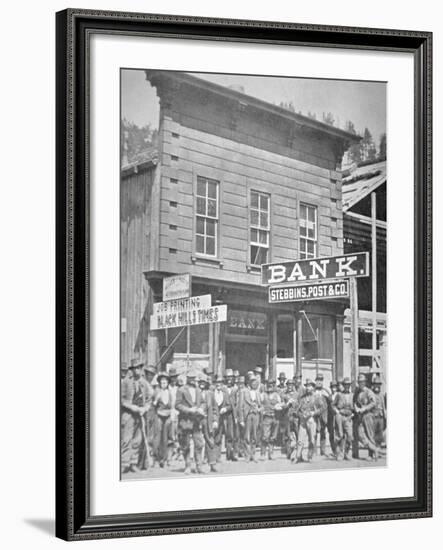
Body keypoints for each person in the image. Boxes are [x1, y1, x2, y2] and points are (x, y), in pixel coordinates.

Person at [121, 358, 153, 474]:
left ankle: (133, 463)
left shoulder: (145, 383)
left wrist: (145, 409)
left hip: (140, 415)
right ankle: (124, 463)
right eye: (135, 368)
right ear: (132, 370)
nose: (137, 370)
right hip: (129, 414)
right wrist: (131, 407)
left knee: (137, 440)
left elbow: (149, 399)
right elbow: (122, 399)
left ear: (141, 368)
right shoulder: (126, 382)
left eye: (139, 368)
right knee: (126, 439)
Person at [175, 370, 206, 474]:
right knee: (186, 444)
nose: (193, 380)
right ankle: (187, 465)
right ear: (187, 378)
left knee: (199, 443)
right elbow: (177, 405)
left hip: (196, 421)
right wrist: (188, 410)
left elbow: (202, 402)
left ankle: (199, 466)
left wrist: (201, 408)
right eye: (191, 378)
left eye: (194, 378)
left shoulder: (198, 390)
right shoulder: (181, 390)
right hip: (185, 420)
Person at [294, 379, 320, 463]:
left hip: (312, 420)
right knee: (300, 440)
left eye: (310, 386)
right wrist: (301, 415)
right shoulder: (302, 398)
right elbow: (297, 410)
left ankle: (310, 457)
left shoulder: (317, 397)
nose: (308, 388)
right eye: (307, 386)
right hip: (303, 421)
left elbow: (322, 408)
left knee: (312, 440)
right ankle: (297, 457)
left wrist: (313, 413)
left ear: (313, 387)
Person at [354, 373, 378, 460]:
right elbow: (356, 402)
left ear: (365, 382)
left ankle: (371, 455)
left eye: (362, 382)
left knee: (370, 435)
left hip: (368, 415)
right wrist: (356, 408)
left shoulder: (369, 392)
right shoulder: (358, 392)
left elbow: (373, 402)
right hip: (360, 416)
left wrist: (365, 408)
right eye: (359, 382)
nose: (361, 383)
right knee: (360, 434)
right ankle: (374, 449)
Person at [198, 374, 219, 472]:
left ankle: (212, 463)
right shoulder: (195, 393)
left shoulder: (210, 393)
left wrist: (215, 420)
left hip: (208, 420)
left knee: (210, 441)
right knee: (198, 442)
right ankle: (199, 464)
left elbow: (215, 408)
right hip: (197, 420)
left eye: (203, 382)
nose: (202, 384)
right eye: (200, 382)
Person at [238, 375, 262, 462]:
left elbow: (261, 405)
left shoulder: (258, 392)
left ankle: (253, 454)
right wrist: (241, 419)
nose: (254, 383)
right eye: (252, 382)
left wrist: (259, 409)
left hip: (256, 415)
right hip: (247, 416)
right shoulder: (243, 391)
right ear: (249, 383)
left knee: (254, 436)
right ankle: (247, 455)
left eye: (255, 382)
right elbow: (240, 406)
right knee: (247, 436)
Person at [152, 372, 174, 468]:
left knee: (166, 438)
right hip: (159, 415)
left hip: (168, 415)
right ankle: (156, 458)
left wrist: (172, 415)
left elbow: (172, 406)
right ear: (159, 383)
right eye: (162, 382)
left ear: (168, 383)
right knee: (158, 437)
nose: (163, 384)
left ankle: (165, 459)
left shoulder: (170, 392)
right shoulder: (157, 392)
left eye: (165, 382)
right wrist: (156, 400)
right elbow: (153, 405)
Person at [213, 375, 236, 461]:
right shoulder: (212, 393)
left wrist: (225, 409)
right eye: (217, 383)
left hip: (224, 417)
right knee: (216, 437)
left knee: (229, 435)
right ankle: (216, 456)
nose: (218, 385)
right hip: (215, 418)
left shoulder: (225, 394)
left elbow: (230, 406)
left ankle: (229, 455)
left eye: (220, 383)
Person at [332, 377, 354, 460]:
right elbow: (333, 405)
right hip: (340, 416)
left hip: (348, 417)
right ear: (343, 385)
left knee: (350, 436)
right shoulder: (339, 395)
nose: (347, 386)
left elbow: (355, 406)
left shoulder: (352, 395)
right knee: (339, 435)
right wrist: (337, 411)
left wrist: (353, 414)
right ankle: (340, 454)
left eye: (348, 385)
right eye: (345, 385)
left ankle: (347, 453)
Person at [261, 379, 282, 460]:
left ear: (274, 386)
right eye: (269, 384)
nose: (270, 386)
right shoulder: (263, 395)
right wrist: (262, 410)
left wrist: (279, 406)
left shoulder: (277, 395)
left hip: (276, 418)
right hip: (266, 417)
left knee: (273, 436)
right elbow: (259, 404)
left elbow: (281, 404)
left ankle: (271, 453)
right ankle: (263, 454)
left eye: (272, 385)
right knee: (265, 436)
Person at [283, 378, 300, 459]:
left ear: (293, 385)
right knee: (287, 434)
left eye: (291, 385)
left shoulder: (297, 394)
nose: (290, 386)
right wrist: (287, 403)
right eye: (288, 385)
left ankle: (298, 452)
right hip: (287, 416)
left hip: (295, 416)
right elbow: (282, 406)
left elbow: (300, 405)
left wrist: (295, 404)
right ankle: (288, 452)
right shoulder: (284, 394)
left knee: (297, 433)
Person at [224, 369, 239, 461]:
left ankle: (235, 453)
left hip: (235, 414)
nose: (229, 379)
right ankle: (228, 453)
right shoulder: (223, 388)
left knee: (236, 435)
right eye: (227, 377)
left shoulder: (236, 389)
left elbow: (238, 403)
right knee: (228, 434)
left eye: (231, 377)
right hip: (225, 414)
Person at [314, 373, 330, 456]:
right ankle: (314, 451)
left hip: (323, 415)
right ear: (315, 381)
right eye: (318, 380)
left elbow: (330, 402)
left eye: (321, 380)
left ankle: (323, 451)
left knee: (323, 432)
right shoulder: (313, 391)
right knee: (314, 432)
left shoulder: (326, 391)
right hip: (315, 414)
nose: (319, 382)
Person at [372, 377, 386, 452]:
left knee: (380, 433)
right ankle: (372, 451)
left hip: (380, 416)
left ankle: (378, 449)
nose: (377, 386)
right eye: (375, 384)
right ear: (373, 385)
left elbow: (383, 405)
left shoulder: (381, 394)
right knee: (373, 433)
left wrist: (385, 414)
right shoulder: (371, 394)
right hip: (374, 416)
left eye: (378, 385)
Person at [328, 380, 339, 457]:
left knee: (338, 433)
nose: (333, 389)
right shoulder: (329, 397)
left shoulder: (339, 395)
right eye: (332, 387)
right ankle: (334, 450)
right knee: (331, 434)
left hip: (338, 416)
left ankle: (339, 451)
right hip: (331, 417)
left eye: (335, 387)